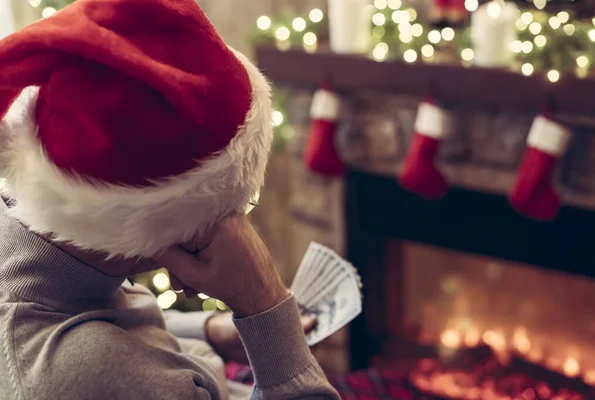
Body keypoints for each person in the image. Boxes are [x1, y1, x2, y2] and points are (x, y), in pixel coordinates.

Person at [0, 0, 341, 399]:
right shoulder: (97, 376)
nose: (234, 223)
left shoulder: (42, 252)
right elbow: (104, 359)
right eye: (227, 210)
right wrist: (263, 302)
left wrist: (207, 330)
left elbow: (100, 316)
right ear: (168, 225)